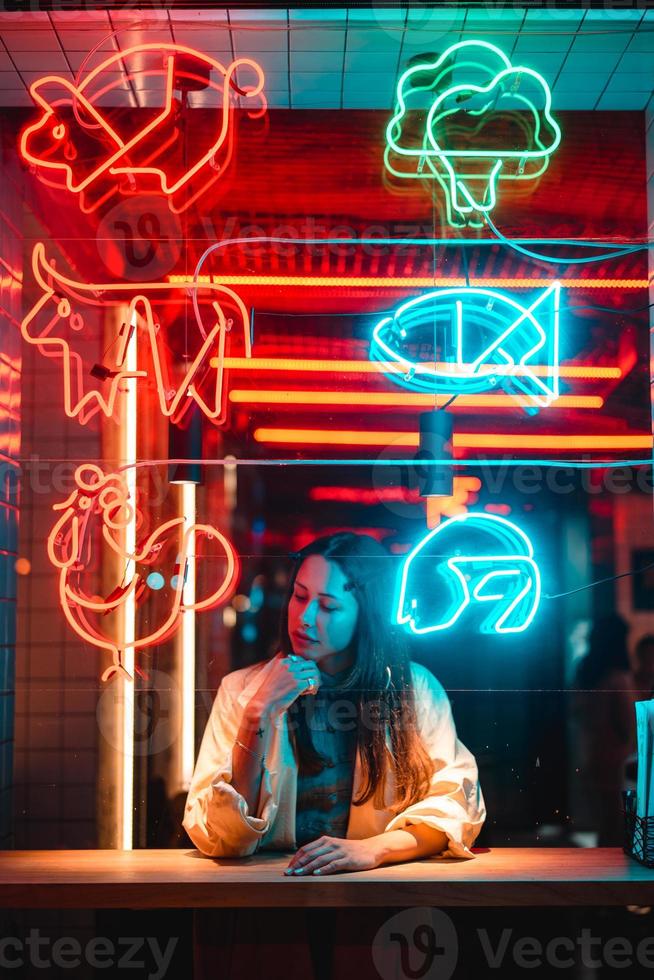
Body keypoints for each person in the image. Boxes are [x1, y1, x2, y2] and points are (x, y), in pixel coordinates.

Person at [183, 531, 486, 980]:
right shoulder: (243, 691)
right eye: (299, 597)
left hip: (378, 910)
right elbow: (223, 838)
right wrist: (257, 715)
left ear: (367, 615)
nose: (305, 618)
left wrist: (374, 850)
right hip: (266, 910)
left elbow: (454, 808)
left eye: (328, 607)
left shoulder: (412, 689)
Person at [571, 613, 636, 846]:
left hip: (591, 748)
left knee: (603, 818)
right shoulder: (618, 677)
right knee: (616, 818)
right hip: (617, 752)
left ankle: (603, 872)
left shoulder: (585, 671)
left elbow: (576, 711)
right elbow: (628, 721)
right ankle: (616, 876)